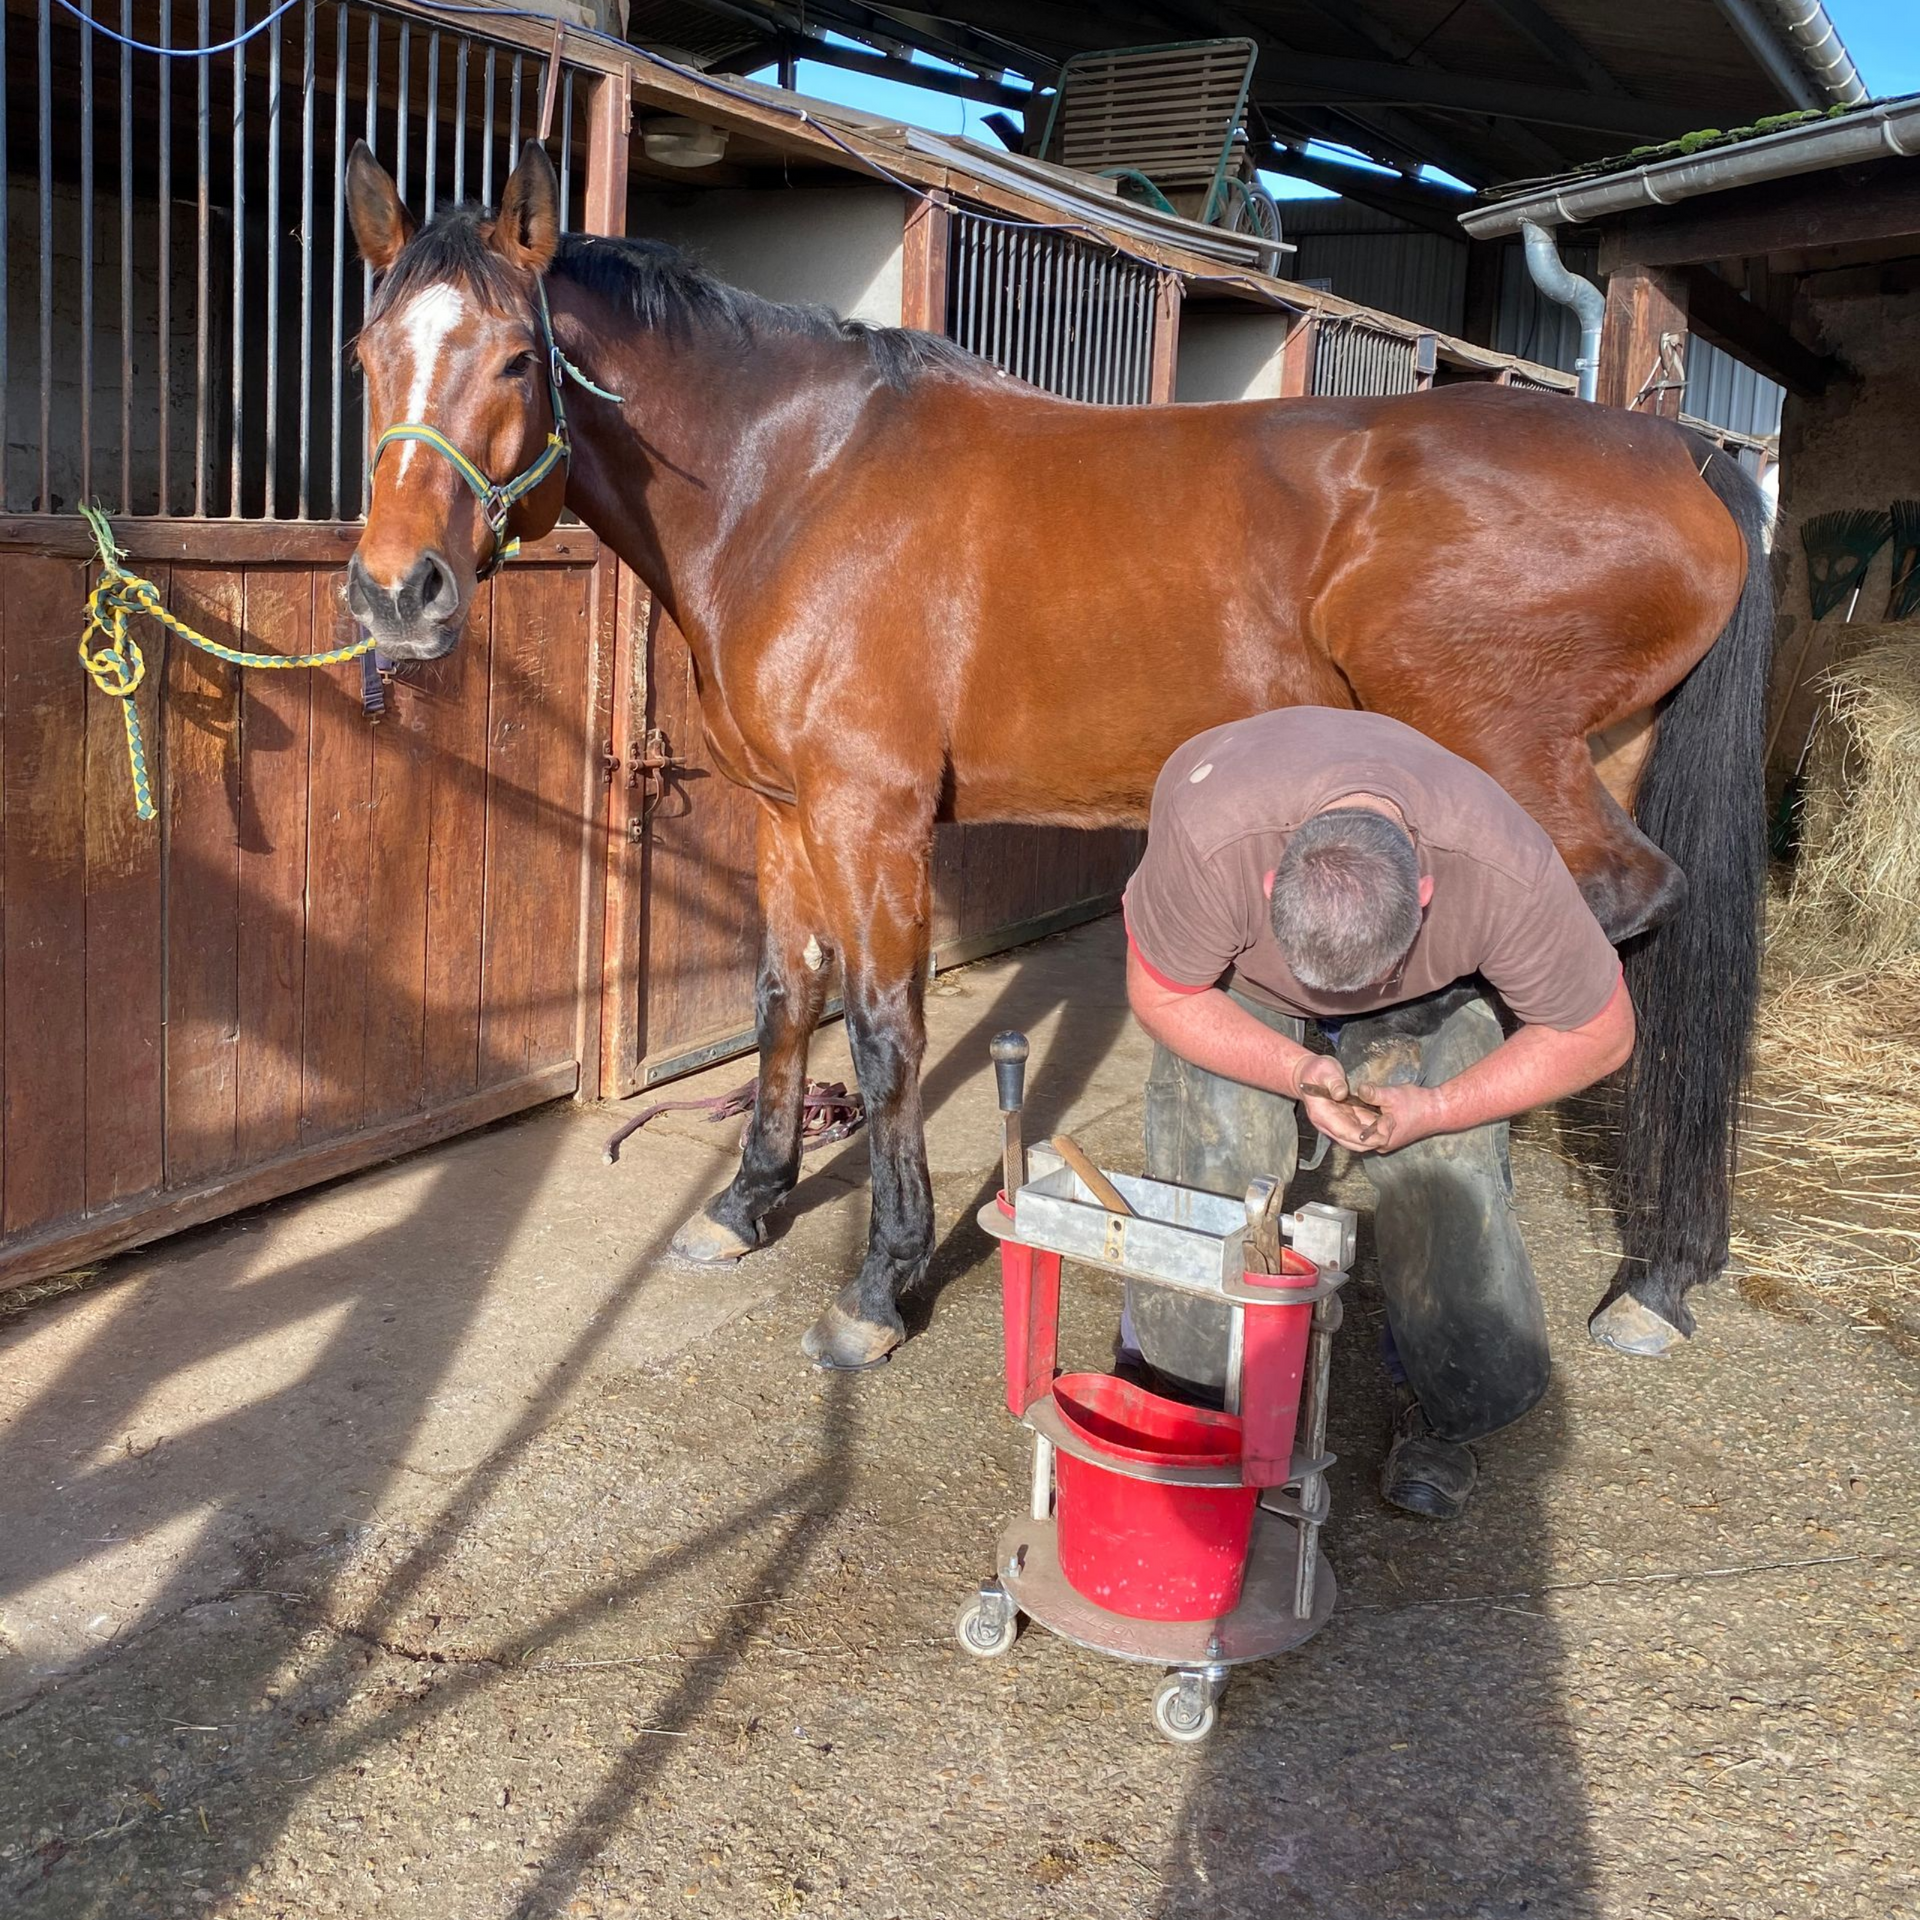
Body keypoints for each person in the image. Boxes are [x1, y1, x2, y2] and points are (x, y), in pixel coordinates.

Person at [1121, 708, 1635, 1519]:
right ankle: (1191, 1380)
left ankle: (1446, 1406)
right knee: (1218, 1147)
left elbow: (1600, 1032)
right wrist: (1293, 1067)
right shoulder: (1214, 834)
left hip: (1425, 987)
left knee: (1445, 1172)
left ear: (1426, 896)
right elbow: (1163, 989)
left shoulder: (1502, 869)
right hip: (1244, 979)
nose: (1337, 1007)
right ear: (1268, 885)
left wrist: (1434, 1108)